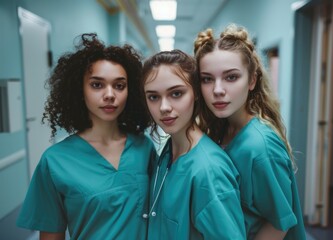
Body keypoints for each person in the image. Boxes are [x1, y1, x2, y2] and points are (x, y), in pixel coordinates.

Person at [16, 33, 155, 239]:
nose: (109, 94)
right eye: (97, 85)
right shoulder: (55, 161)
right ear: (80, 90)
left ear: (131, 91)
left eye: (119, 85)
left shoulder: (143, 147)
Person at [194, 24, 306, 240]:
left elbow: (278, 225)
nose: (217, 90)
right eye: (207, 79)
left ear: (252, 80)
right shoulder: (223, 129)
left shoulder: (260, 146)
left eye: (231, 77)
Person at [140, 49, 246, 239]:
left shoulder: (209, 171)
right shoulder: (169, 151)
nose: (164, 108)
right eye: (153, 97)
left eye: (176, 93)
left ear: (196, 93)